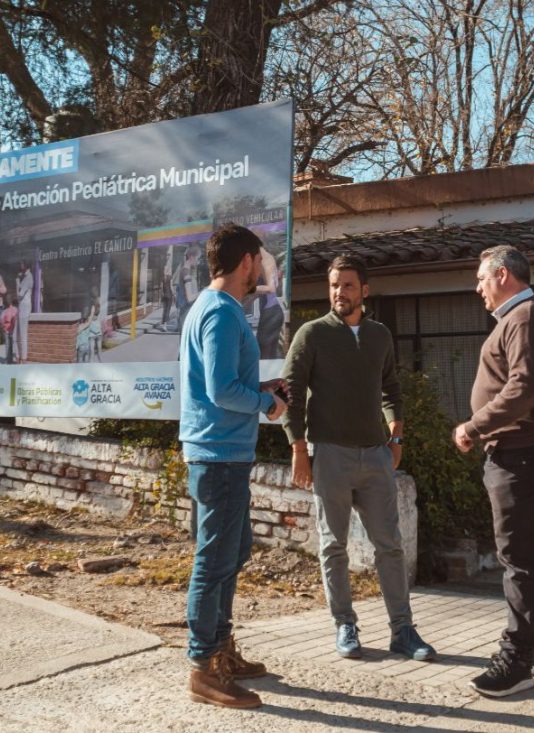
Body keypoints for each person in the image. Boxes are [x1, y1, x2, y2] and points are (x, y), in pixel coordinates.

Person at [282, 254, 436, 663]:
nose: (339, 292)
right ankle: (344, 625)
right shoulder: (311, 335)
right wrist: (299, 448)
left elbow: (391, 388)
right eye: (334, 285)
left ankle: (403, 630)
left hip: (376, 456)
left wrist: (396, 434)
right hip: (330, 454)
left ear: (364, 291)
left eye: (348, 285)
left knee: (390, 546)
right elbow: (292, 395)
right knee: (334, 546)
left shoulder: (380, 336)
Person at [452, 244, 534, 698]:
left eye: (482, 279)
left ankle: (517, 660)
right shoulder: (523, 318)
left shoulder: (524, 318)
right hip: (530, 449)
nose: (478, 288)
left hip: (524, 451)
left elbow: (523, 390)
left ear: (502, 275)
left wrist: (473, 425)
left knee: (520, 558)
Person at [179, 223, 287, 710]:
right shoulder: (221, 313)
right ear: (246, 261)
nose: (262, 269)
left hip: (223, 453)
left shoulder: (212, 309)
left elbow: (220, 385)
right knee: (214, 560)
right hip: (218, 455)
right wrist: (266, 405)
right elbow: (222, 391)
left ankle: (221, 648)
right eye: (260, 261)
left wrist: (265, 392)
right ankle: (204, 667)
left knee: (233, 550)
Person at [254, 245, 284, 359]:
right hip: (270, 311)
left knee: (264, 354)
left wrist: (248, 289)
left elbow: (271, 288)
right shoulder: (265, 260)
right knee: (268, 354)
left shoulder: (266, 261)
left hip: (271, 312)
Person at [15, 260, 34, 364]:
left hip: (24, 307)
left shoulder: (28, 278)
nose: (20, 266)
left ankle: (24, 358)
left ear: (26, 266)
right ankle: (19, 356)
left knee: (22, 334)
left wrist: (17, 282)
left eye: (22, 264)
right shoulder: (25, 277)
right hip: (21, 307)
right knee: (18, 334)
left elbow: (19, 295)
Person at [0, 295, 19, 364]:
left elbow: (2, 320)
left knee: (9, 346)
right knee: (10, 346)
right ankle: (9, 360)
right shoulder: (14, 310)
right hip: (10, 331)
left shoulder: (8, 310)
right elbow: (2, 321)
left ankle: (9, 360)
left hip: (10, 331)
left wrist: (4, 328)